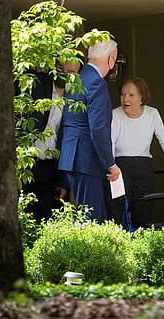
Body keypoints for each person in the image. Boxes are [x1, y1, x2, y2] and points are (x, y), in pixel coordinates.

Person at [108, 76, 164, 227]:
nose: (125, 98)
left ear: (141, 98)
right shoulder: (115, 115)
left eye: (131, 95)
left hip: (143, 168)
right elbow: (110, 143)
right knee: (117, 214)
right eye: (123, 94)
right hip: (119, 167)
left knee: (143, 215)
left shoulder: (152, 114)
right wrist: (112, 167)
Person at [58, 39, 121, 224]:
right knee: (93, 219)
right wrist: (110, 164)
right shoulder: (96, 83)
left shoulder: (76, 80)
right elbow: (98, 128)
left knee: (87, 216)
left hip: (73, 157)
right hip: (87, 159)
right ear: (110, 59)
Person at [19, 61, 81, 221]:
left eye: (71, 72)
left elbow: (68, 142)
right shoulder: (38, 85)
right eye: (61, 69)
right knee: (20, 217)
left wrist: (64, 181)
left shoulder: (73, 102)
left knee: (44, 219)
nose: (64, 74)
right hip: (25, 162)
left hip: (48, 167)